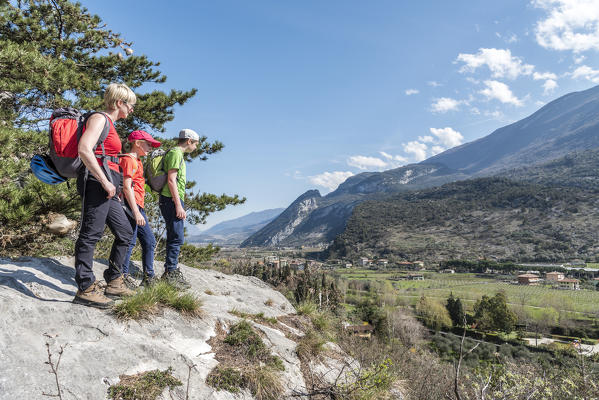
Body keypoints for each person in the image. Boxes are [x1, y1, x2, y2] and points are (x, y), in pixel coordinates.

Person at [72, 83, 136, 308]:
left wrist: (113, 185)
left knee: (125, 232)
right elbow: (84, 149)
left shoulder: (110, 124)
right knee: (91, 233)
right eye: (130, 105)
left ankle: (114, 281)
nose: (131, 110)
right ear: (119, 103)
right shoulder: (100, 119)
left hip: (109, 186)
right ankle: (85, 287)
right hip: (98, 184)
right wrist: (105, 181)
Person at [120, 130, 162, 288]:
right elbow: (126, 186)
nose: (150, 147)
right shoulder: (128, 160)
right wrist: (136, 211)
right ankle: (122, 277)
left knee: (149, 241)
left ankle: (148, 277)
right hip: (131, 206)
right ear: (137, 143)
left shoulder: (137, 161)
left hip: (138, 206)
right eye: (148, 144)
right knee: (130, 242)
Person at [158, 129, 199, 289]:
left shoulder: (175, 153)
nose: (196, 147)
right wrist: (178, 205)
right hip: (171, 199)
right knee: (176, 237)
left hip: (169, 199)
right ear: (188, 141)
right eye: (195, 143)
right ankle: (170, 273)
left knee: (175, 236)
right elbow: (171, 180)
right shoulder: (176, 153)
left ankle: (170, 271)